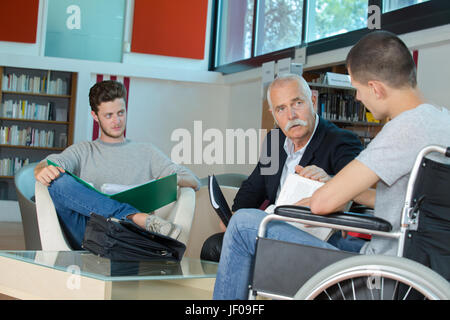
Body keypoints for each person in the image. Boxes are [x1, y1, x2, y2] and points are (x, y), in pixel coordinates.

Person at [213, 30, 450, 300]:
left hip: (383, 271)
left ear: (375, 88)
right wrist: (335, 184)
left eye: (358, 90)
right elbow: (406, 202)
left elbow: (321, 205)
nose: (358, 98)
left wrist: (328, 190)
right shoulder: (442, 123)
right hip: (424, 270)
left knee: (244, 223)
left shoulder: (402, 130)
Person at [201, 73, 364, 261]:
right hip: (273, 227)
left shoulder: (341, 141)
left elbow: (355, 192)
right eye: (281, 109)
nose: (291, 115)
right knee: (215, 244)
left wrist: (330, 181)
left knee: (216, 246)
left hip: (309, 235)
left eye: (297, 104)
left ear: (312, 100)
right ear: (274, 114)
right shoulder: (275, 140)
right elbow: (253, 187)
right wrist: (234, 215)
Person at [34, 80, 200, 250]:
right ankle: (135, 217)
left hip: (129, 237)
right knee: (57, 182)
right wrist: (41, 169)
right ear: (95, 116)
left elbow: (193, 180)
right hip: (89, 235)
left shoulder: (147, 152)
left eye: (121, 113)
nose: (117, 121)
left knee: (59, 182)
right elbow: (52, 163)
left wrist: (169, 179)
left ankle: (132, 219)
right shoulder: (83, 150)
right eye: (109, 115)